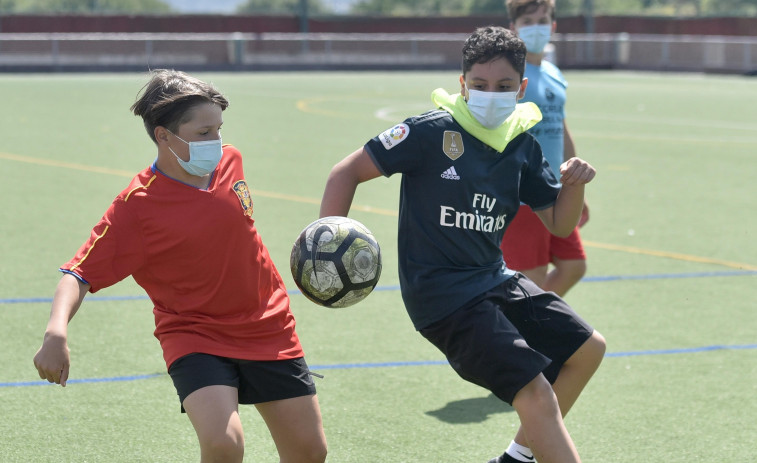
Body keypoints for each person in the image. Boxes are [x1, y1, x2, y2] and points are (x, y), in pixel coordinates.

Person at [319, 27, 605, 463]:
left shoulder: (521, 145)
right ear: (462, 84)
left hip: (493, 279)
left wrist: (574, 184)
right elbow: (345, 172)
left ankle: (517, 458)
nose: (492, 94)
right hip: (443, 297)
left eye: (505, 87)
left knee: (588, 349)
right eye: (481, 85)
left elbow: (560, 224)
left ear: (522, 88)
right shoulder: (429, 132)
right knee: (535, 393)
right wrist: (327, 240)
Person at [32, 69, 327, 463]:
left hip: (267, 325)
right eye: (204, 134)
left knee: (310, 452)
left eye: (219, 130)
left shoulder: (230, 163)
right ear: (163, 136)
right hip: (194, 334)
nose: (217, 143)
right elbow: (79, 272)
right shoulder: (136, 207)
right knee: (224, 444)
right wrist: (56, 333)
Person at [500, 0, 589, 297]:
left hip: (555, 190)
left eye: (542, 20)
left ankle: (529, 322)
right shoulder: (509, 76)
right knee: (531, 277)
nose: (536, 27)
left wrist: (574, 188)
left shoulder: (554, 73)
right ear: (514, 28)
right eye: (528, 21)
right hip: (525, 194)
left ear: (552, 26)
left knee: (573, 265)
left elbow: (560, 128)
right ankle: (523, 332)